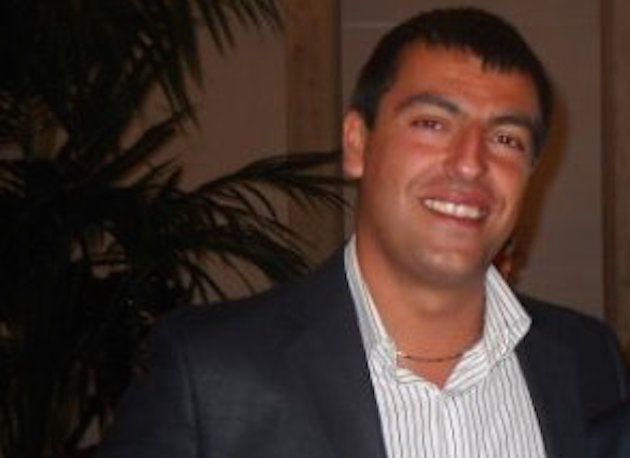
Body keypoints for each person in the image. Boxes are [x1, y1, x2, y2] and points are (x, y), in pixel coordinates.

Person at [98, 8, 629, 458]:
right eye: (431, 124)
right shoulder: (210, 376)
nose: (470, 163)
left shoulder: (588, 360)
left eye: (506, 138)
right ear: (358, 143)